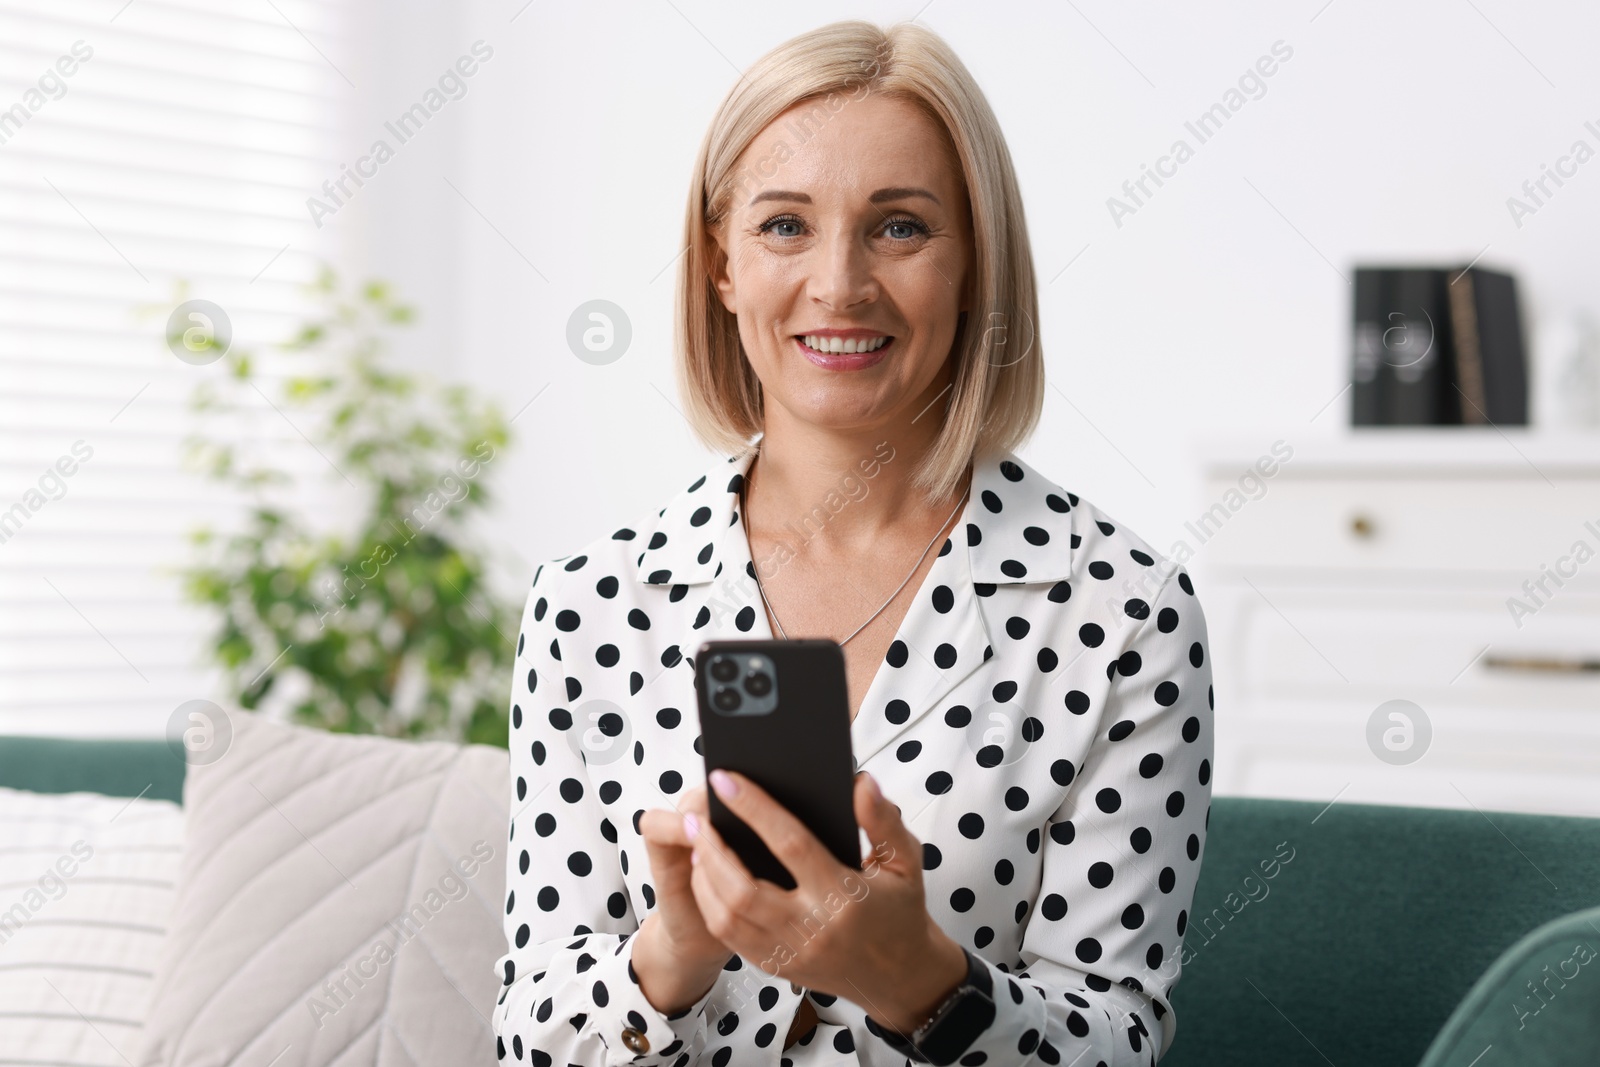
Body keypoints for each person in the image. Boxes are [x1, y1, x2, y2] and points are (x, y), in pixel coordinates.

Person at [491, 18, 1213, 1066]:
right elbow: (525, 1038)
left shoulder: (1120, 613)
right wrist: (668, 955)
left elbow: (1119, 1040)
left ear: (976, 265)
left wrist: (915, 979)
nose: (839, 284)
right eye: (784, 225)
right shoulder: (593, 601)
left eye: (900, 228)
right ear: (721, 265)